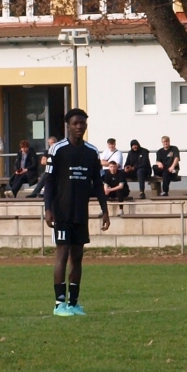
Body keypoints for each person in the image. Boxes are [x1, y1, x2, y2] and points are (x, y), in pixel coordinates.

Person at [43, 108, 109, 316]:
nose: (79, 126)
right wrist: (48, 209)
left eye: (82, 123)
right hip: (61, 211)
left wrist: (104, 209)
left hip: (81, 212)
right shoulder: (58, 149)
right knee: (62, 254)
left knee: (78, 256)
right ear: (68, 126)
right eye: (75, 123)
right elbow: (50, 181)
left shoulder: (91, 152)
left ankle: (74, 303)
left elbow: (97, 183)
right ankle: (59, 303)